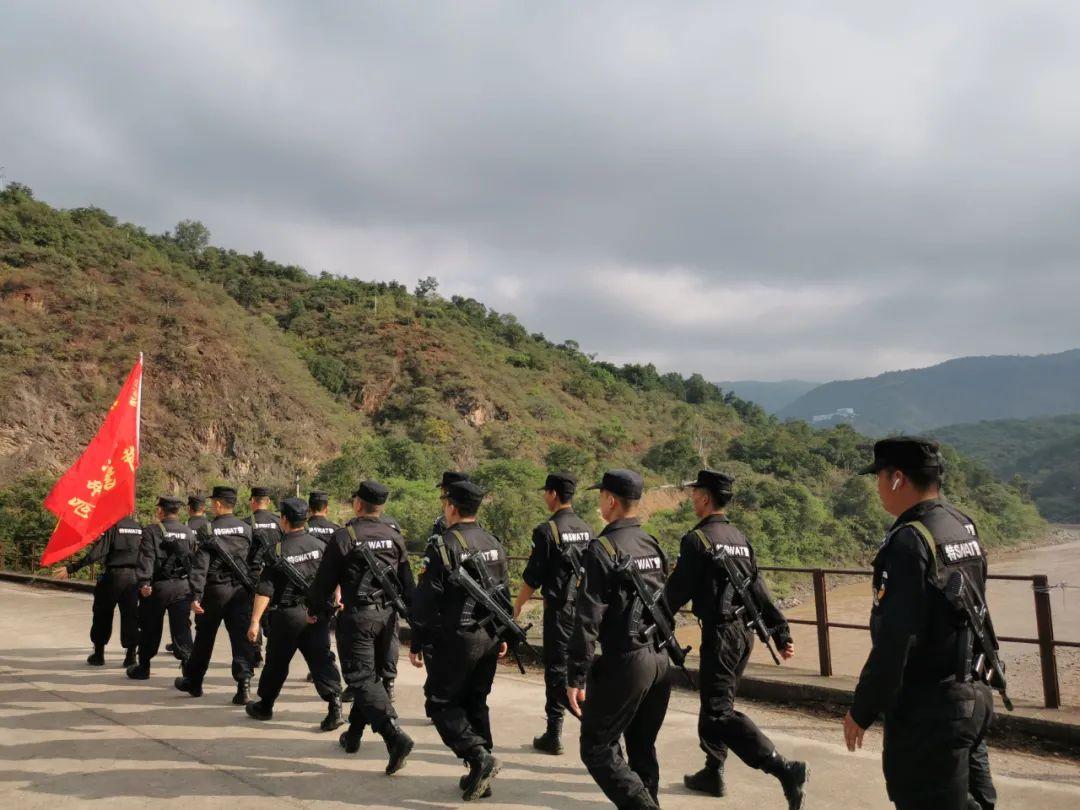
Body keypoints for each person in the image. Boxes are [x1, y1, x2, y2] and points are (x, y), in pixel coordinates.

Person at [844, 437, 997, 810]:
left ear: (897, 479)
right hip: (973, 695)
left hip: (930, 709)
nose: (877, 487)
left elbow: (897, 637)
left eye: (879, 477)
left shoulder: (910, 540)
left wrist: (863, 708)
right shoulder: (962, 526)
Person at [663, 470, 808, 808]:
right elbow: (759, 587)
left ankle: (784, 768)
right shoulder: (738, 537)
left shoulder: (697, 541)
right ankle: (713, 770)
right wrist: (780, 631)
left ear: (704, 497)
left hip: (722, 633)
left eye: (694, 492)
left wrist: (651, 621)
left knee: (718, 711)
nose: (691, 497)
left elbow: (675, 592)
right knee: (716, 700)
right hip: (744, 635)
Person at [567, 469, 669, 810]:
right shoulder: (650, 542)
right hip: (659, 659)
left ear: (610, 501)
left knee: (596, 747)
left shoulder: (602, 549)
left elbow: (587, 619)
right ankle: (648, 799)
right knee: (641, 745)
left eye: (601, 497)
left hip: (627, 660)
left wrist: (576, 676)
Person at [307, 480, 415, 774]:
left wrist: (314, 609)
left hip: (358, 617)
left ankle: (394, 735)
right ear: (381, 507)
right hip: (388, 618)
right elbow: (408, 583)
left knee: (361, 677)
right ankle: (353, 736)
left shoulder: (346, 536)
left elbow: (325, 581)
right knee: (371, 679)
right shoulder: (394, 537)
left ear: (357, 504)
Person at [410, 479, 508, 801]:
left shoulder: (444, 545)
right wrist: (504, 634)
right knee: (476, 701)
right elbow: (503, 593)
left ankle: (480, 758)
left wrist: (418, 640)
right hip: (490, 636)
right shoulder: (493, 541)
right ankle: (482, 774)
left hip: (457, 639)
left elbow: (425, 603)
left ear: (451, 506)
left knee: (440, 703)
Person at [244, 497, 345, 732]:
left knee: (276, 664)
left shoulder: (276, 551)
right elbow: (334, 578)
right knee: (321, 660)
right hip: (316, 614)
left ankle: (265, 706)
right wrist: (336, 600)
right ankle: (335, 707)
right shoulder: (321, 546)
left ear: (284, 520)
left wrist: (255, 621)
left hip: (287, 616)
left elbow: (265, 589)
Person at [513, 471, 594, 755]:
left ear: (554, 495)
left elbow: (533, 576)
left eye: (545, 491)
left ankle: (558, 732)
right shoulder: (587, 529)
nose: (544, 496)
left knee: (556, 670)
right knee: (579, 668)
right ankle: (571, 729)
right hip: (583, 611)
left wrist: (519, 604)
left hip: (559, 611)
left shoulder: (547, 530)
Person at [176, 485, 261, 703]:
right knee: (241, 639)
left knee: (204, 638)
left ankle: (194, 682)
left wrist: (195, 595)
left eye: (213, 502)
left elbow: (200, 565)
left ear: (219, 504)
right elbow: (254, 562)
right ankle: (244, 686)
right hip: (241, 591)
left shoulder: (209, 529)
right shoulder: (247, 528)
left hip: (214, 592)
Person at [56, 514, 142, 667]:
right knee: (131, 616)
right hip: (133, 578)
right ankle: (131, 656)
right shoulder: (140, 528)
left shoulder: (113, 527)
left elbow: (96, 553)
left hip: (113, 577)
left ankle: (99, 654)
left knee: (102, 614)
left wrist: (71, 568)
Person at [127, 495, 198, 680]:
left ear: (160, 511)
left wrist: (144, 583)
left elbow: (147, 558)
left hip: (157, 588)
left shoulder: (152, 531)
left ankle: (143, 667)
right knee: (182, 628)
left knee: (150, 627)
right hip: (182, 587)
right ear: (178, 511)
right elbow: (193, 561)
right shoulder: (188, 532)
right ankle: (189, 669)